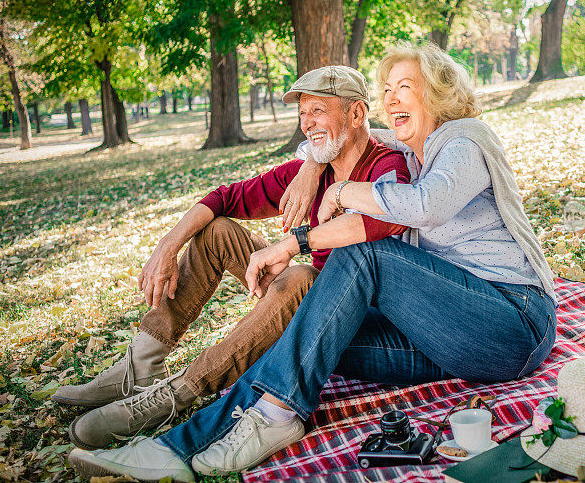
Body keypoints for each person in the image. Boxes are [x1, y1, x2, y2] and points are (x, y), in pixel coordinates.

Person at [68, 42, 559, 482]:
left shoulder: (464, 138)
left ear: (439, 93)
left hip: (511, 320)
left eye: (404, 87)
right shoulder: (409, 152)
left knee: (358, 258)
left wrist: (310, 223)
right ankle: (177, 444)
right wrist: (312, 165)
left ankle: (272, 413)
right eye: (387, 88)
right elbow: (252, 186)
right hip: (450, 339)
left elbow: (421, 205)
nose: (392, 98)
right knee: (297, 335)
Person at [56, 65, 410, 452]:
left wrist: (294, 242)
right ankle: (145, 359)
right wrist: (166, 248)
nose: (307, 124)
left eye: (318, 111)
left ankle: (178, 392)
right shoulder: (311, 169)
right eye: (302, 113)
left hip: (358, 320)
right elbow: (224, 197)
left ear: (357, 114)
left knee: (301, 278)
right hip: (304, 292)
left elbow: (382, 220)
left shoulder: (388, 166)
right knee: (216, 230)